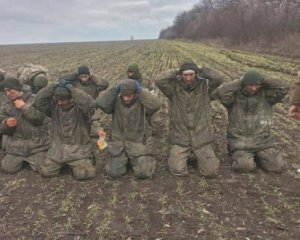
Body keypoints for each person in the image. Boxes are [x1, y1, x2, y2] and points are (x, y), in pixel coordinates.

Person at [155, 60, 224, 177]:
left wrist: (201, 69)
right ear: (181, 75)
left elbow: (219, 78)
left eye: (191, 74)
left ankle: (199, 153)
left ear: (196, 74)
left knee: (211, 172)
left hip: (201, 137)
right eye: (185, 75)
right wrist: (176, 70)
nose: (188, 78)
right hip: (181, 138)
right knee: (177, 170)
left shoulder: (205, 87)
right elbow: (159, 80)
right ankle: (187, 154)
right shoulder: (173, 89)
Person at [215, 70, 289, 173]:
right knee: (244, 167)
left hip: (263, 142)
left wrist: (261, 77)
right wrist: (241, 80)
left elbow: (283, 87)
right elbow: (221, 92)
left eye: (256, 85)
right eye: (250, 85)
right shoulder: (234, 98)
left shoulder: (267, 96)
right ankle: (242, 156)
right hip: (241, 143)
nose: (253, 88)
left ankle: (259, 156)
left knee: (279, 167)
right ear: (244, 85)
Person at [96, 79, 161, 179]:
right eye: (123, 95)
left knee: (143, 173)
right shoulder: (115, 102)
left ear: (135, 94)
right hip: (119, 146)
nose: (126, 98)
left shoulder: (142, 103)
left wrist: (140, 90)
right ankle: (125, 160)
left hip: (138, 145)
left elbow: (156, 105)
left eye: (129, 95)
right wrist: (115, 89)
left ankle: (144, 159)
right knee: (113, 173)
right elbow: (100, 103)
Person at [34, 79, 97, 180]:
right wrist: (54, 85)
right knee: (46, 172)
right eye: (57, 99)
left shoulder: (81, 110)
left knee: (84, 174)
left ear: (71, 98)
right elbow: (38, 101)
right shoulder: (54, 109)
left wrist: (72, 90)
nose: (59, 102)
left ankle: (82, 163)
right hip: (58, 152)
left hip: (79, 152)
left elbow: (90, 104)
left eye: (63, 99)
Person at [0, 77, 49, 173]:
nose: (8, 94)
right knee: (7, 168)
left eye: (10, 90)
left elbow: (40, 119)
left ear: (17, 88)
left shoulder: (35, 99)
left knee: (43, 168)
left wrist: (24, 107)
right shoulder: (6, 106)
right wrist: (6, 124)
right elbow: (2, 128)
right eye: (5, 91)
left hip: (37, 146)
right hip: (16, 147)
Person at [61, 66, 109, 137]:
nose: (83, 78)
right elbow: (61, 79)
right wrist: (74, 74)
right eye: (81, 76)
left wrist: (93, 76)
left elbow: (105, 84)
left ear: (89, 75)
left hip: (91, 111)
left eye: (85, 76)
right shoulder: (75, 84)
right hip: (78, 110)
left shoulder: (94, 84)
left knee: (96, 132)